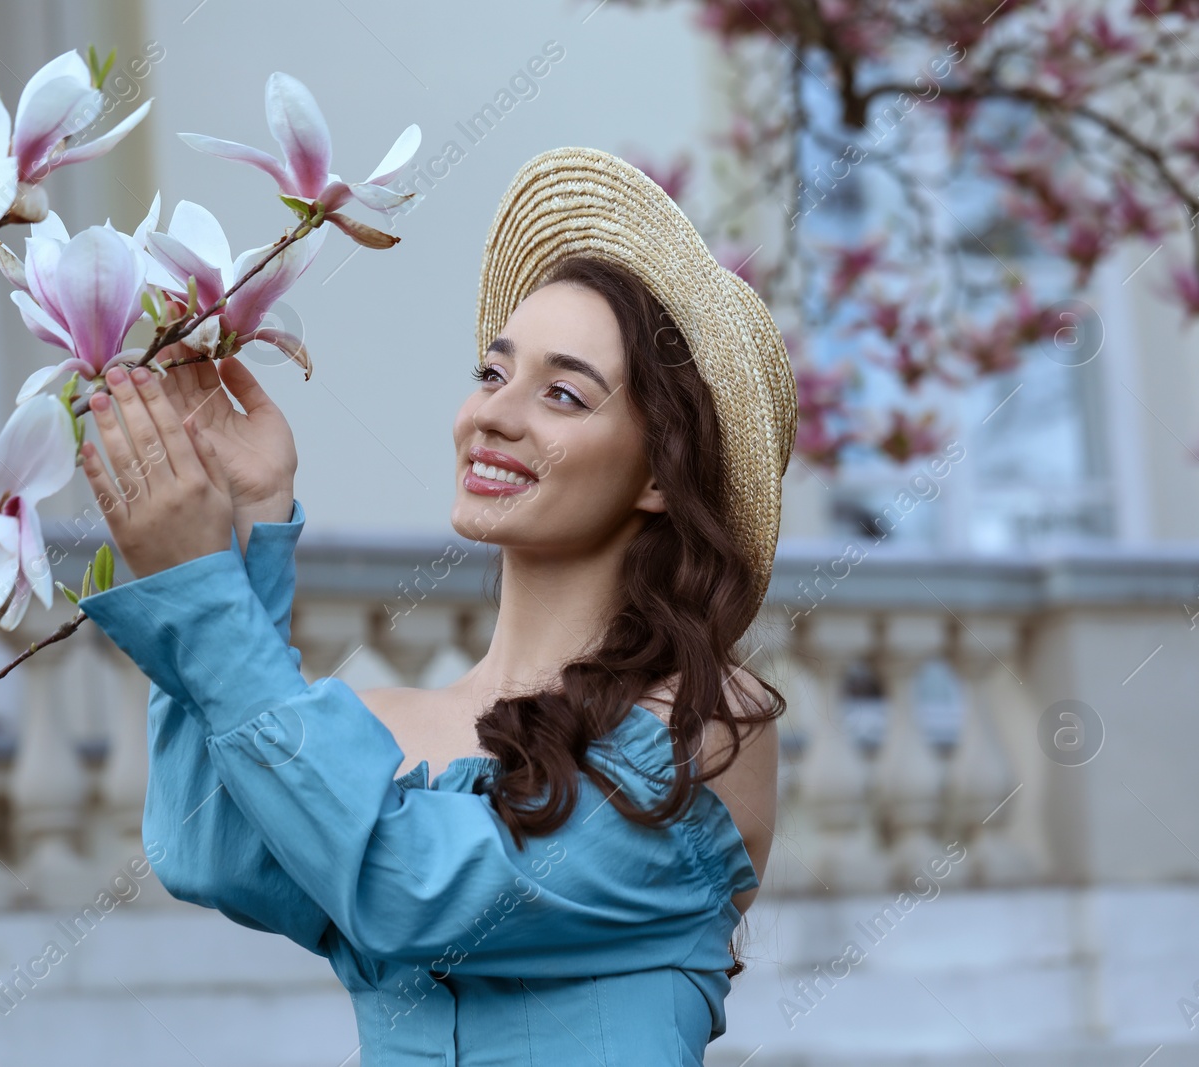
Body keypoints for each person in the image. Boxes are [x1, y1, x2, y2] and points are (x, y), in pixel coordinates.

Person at [76, 146, 800, 1066]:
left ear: (660, 470)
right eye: (493, 374)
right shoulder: (391, 725)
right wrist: (248, 526)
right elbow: (204, 847)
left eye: (564, 393)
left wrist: (203, 601)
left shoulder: (703, 723)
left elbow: (411, 886)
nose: (491, 414)